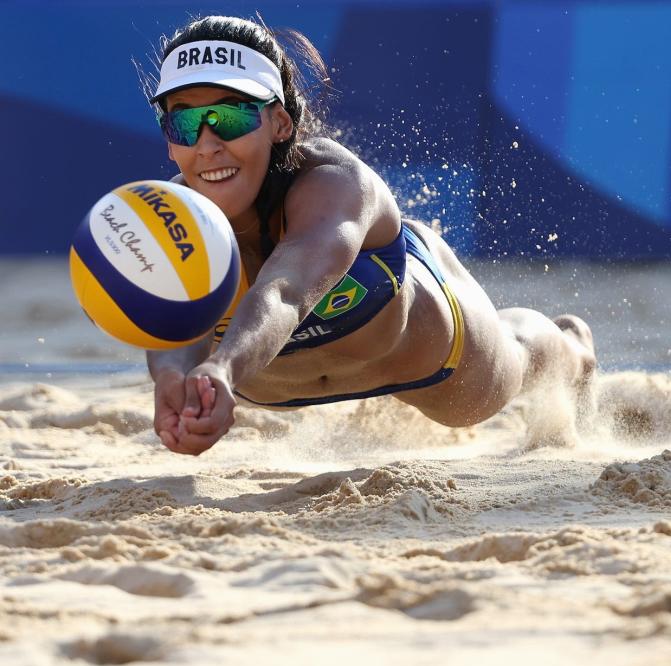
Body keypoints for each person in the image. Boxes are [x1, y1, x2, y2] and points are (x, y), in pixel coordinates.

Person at [145, 15, 596, 455]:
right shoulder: (166, 217)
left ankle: (572, 347)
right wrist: (172, 379)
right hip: (276, 388)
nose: (206, 144)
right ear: (169, 141)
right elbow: (173, 331)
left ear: (279, 123)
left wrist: (222, 369)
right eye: (184, 123)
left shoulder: (334, 182)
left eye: (229, 117)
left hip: (422, 356)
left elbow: (284, 293)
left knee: (487, 389)